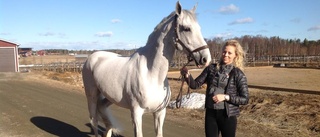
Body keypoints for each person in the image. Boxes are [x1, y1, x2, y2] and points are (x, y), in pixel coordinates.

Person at [180, 39, 249, 137]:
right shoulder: (211, 68)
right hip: (211, 113)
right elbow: (195, 84)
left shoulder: (238, 74)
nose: (226, 55)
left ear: (235, 55)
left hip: (227, 115)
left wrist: (225, 97)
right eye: (224, 52)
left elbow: (245, 99)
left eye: (230, 53)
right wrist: (187, 75)